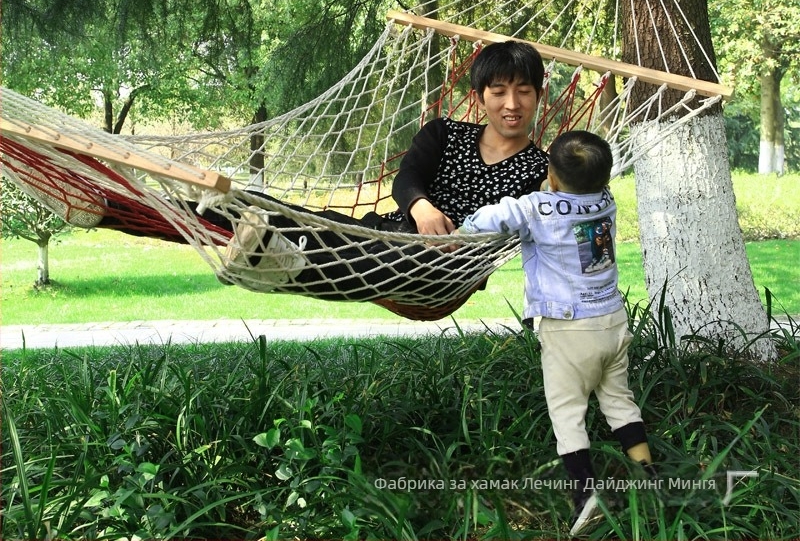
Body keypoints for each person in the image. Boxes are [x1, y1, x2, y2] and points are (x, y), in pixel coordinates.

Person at [19, 41, 550, 306]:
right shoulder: (444, 133)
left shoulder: (543, 169)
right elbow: (406, 178)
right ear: (480, 96)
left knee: (326, 247)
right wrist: (421, 206)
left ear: (536, 96)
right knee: (268, 210)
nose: (511, 103)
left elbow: (538, 228)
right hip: (391, 233)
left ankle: (281, 262)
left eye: (522, 91)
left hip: (445, 274)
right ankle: (111, 205)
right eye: (498, 91)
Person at [459, 130, 653, 536]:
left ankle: (585, 495)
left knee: (567, 413)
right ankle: (649, 477)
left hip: (569, 330)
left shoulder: (536, 208)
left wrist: (466, 223)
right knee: (619, 400)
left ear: (551, 175)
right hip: (612, 321)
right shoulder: (606, 200)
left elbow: (492, 220)